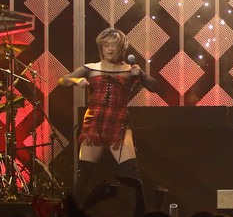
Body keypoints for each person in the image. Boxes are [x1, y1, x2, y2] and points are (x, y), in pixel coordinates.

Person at [58, 28, 159, 207]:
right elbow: (63, 80)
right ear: (101, 47)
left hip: (119, 123)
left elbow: (154, 86)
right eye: (106, 46)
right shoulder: (90, 68)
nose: (110, 49)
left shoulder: (129, 70)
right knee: (83, 175)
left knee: (131, 174)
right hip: (94, 123)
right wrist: (77, 81)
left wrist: (141, 73)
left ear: (121, 48)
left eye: (114, 46)